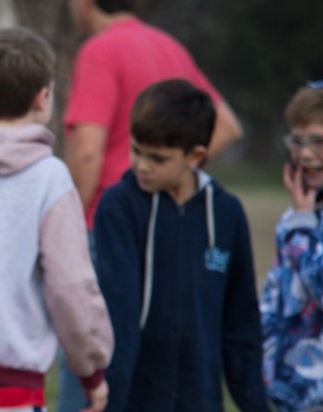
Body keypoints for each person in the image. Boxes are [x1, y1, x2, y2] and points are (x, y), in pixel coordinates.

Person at [59, 1, 243, 409]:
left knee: (90, 369)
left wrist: (64, 231)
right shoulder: (169, 46)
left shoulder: (100, 50)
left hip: (103, 228)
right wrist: (174, 172)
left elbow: (87, 152)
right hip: (164, 233)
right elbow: (227, 125)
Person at [0, 27, 113, 412]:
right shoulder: (51, 178)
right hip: (15, 391)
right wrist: (91, 371)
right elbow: (70, 287)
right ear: (43, 98)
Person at [93, 79, 270, 412]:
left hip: (201, 400)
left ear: (196, 156)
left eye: (157, 158)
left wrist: (255, 404)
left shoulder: (226, 213)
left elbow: (240, 323)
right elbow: (119, 316)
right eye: (136, 150)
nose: (142, 166)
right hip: (133, 401)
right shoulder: (119, 206)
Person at [260, 74, 323, 412]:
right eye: (297, 141)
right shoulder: (305, 207)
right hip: (295, 394)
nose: (305, 154)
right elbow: (277, 295)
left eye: (320, 142)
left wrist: (302, 226)